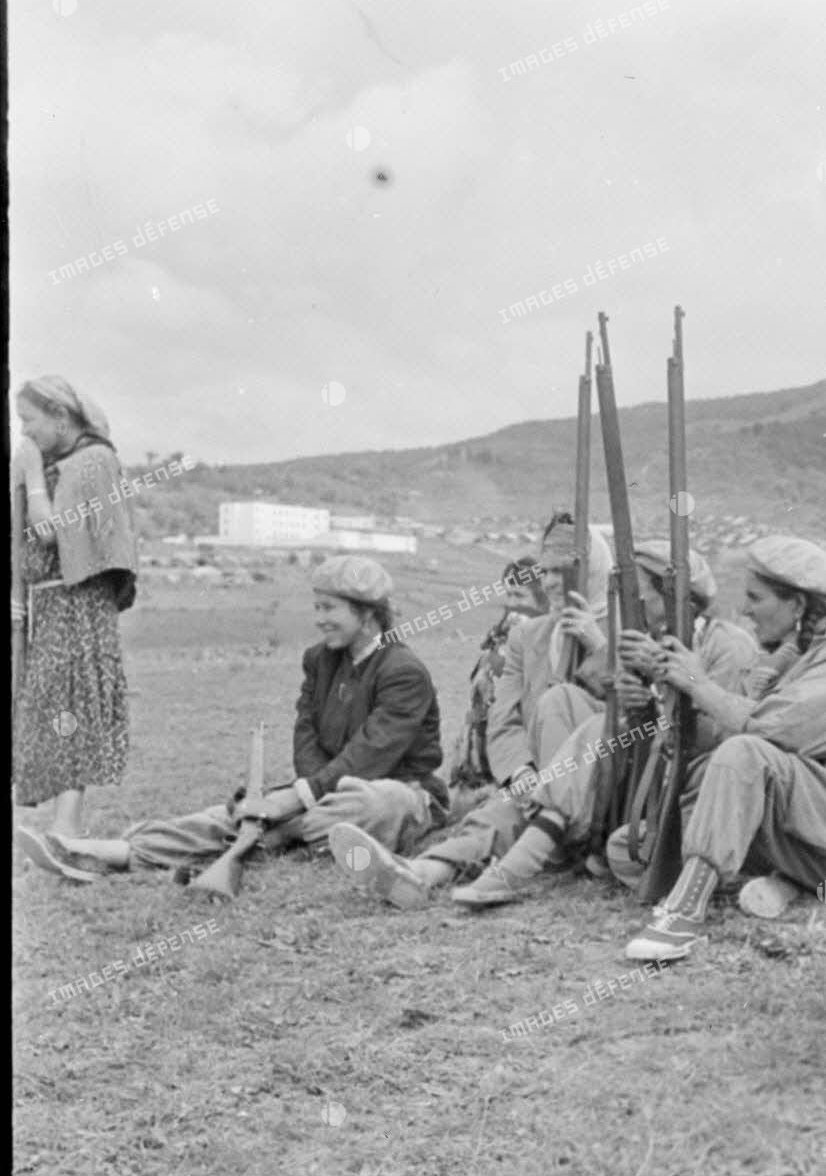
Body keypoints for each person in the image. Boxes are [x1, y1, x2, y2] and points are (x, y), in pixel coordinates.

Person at [16, 556, 449, 883]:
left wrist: (295, 799)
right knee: (241, 815)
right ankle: (104, 852)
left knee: (369, 803)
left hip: (402, 792)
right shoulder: (319, 661)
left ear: (368, 613)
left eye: (329, 609)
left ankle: (282, 836)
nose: (318, 620)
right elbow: (308, 736)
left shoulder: (402, 672)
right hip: (325, 796)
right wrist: (298, 796)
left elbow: (370, 754)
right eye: (316, 607)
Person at [622, 535, 826, 962]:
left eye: (757, 598)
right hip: (810, 824)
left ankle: (683, 913)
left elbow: (764, 730)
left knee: (745, 754)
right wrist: (663, 684)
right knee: (632, 843)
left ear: (798, 606)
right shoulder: (791, 655)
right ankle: (786, 881)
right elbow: (719, 739)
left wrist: (696, 682)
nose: (747, 610)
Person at [447, 538, 759, 906]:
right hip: (642, 771)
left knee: (599, 731)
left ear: (675, 598)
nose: (636, 604)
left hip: (694, 781)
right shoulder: (649, 635)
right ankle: (547, 841)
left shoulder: (725, 645)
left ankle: (521, 863)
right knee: (567, 702)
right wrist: (636, 698)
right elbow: (609, 695)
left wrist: (663, 684)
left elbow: (718, 736)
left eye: (643, 595)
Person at [326, 513, 614, 908]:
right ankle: (420, 873)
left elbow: (637, 709)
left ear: (592, 570)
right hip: (538, 788)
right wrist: (520, 773)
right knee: (492, 818)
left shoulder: (628, 630)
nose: (548, 583)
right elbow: (504, 723)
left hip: (605, 788)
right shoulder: (527, 636)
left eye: (562, 572)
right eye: (544, 572)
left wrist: (598, 644)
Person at [12, 376, 139, 839]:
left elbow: (54, 530)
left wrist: (28, 473)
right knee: (52, 708)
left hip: (78, 604)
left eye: (30, 421)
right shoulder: (60, 462)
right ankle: (61, 827)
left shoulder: (93, 461)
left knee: (72, 707)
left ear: (61, 417)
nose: (26, 433)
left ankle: (67, 828)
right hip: (50, 603)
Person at [446, 555, 548, 817]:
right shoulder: (498, 643)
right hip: (475, 776)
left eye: (521, 596)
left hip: (517, 775)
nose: (513, 605)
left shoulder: (549, 652)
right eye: (509, 595)